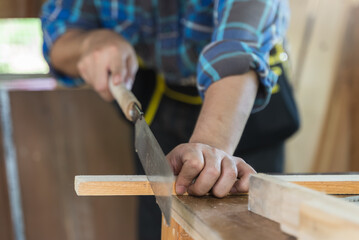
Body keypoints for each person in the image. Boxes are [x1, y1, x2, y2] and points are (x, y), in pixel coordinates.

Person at [41, 0, 299, 239]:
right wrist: (90, 42)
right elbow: (59, 40)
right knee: (161, 221)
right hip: (162, 100)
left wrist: (210, 147)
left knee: (250, 227)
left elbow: (238, 50)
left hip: (242, 103)